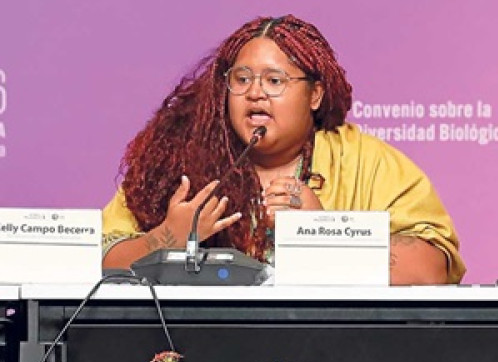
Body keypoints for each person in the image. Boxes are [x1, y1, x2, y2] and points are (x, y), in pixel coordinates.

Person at [103, 15, 465, 284]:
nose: (255, 93)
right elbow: (96, 264)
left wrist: (321, 234)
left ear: (315, 95)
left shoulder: (366, 162)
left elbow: (430, 269)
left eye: (274, 81)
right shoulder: (178, 161)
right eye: (242, 80)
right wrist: (166, 239)